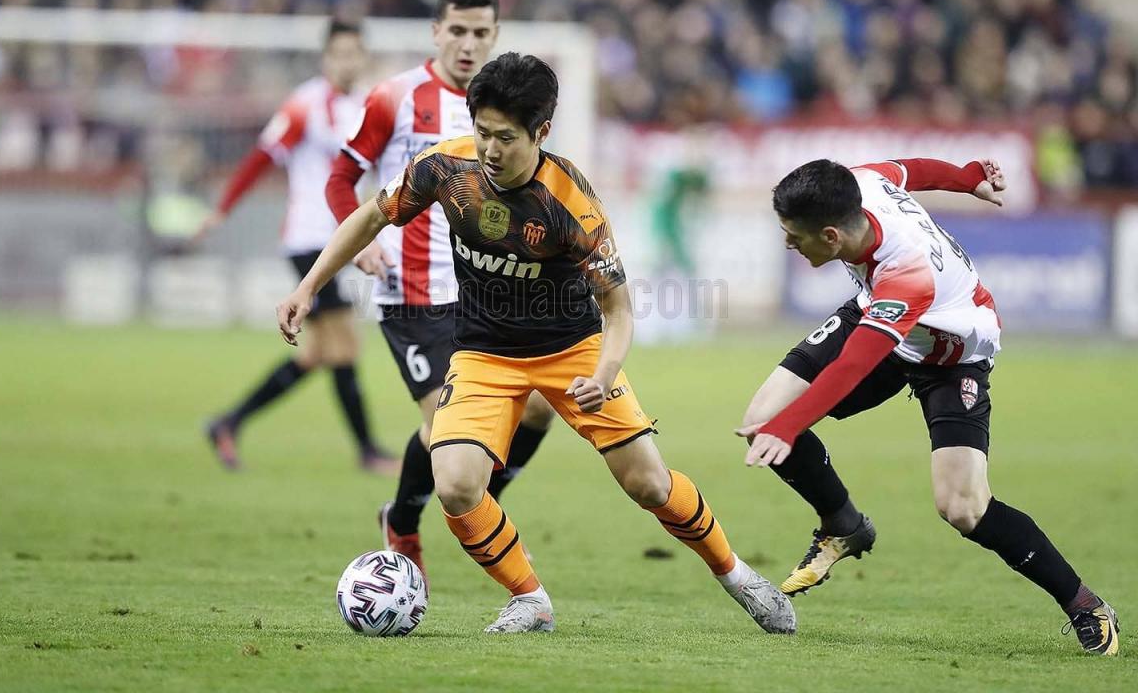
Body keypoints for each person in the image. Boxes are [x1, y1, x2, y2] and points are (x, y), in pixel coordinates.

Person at [279, 52, 796, 635]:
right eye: (482, 132)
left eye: (506, 137)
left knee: (648, 483)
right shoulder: (446, 167)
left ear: (541, 132)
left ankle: (738, 576)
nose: (491, 149)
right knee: (453, 485)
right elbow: (371, 218)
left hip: (571, 351)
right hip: (481, 353)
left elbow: (619, 311)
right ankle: (530, 599)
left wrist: (603, 375)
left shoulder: (571, 202)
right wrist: (308, 286)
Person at [738, 157, 1119, 656]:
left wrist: (789, 427)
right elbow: (909, 170)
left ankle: (1086, 605)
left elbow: (852, 367)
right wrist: (968, 178)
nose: (788, 244)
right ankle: (843, 525)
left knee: (962, 507)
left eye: (794, 236)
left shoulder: (906, 273)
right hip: (879, 317)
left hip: (950, 353)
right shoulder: (860, 182)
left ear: (831, 237)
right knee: (760, 419)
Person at [325, 0, 553, 576]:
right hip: (415, 292)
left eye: (481, 32)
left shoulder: (505, 105)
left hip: (489, 293)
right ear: (435, 31)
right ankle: (402, 521)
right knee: (443, 424)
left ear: (496, 35)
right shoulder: (395, 97)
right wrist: (358, 250)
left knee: (537, 410)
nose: (468, 43)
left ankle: (484, 508)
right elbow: (339, 180)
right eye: (458, 30)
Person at [196, 20, 396, 475]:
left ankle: (229, 422)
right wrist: (223, 208)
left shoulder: (369, 103)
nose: (348, 61)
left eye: (355, 53)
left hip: (343, 240)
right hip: (309, 239)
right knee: (345, 344)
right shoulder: (305, 104)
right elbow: (262, 157)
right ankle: (367, 451)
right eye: (339, 53)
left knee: (319, 354)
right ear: (326, 58)